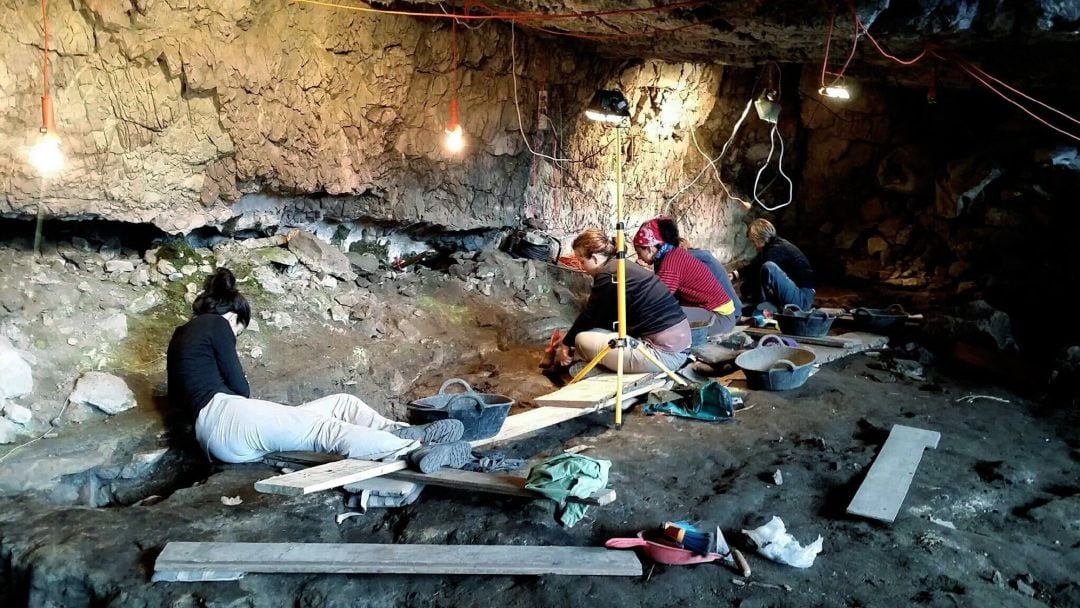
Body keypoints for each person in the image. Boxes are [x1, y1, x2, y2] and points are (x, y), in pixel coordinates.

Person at [166, 268, 468, 474]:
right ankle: (414, 450)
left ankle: (395, 430)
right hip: (229, 419)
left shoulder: (181, 334)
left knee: (342, 404)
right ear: (234, 318)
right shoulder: (217, 324)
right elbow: (241, 390)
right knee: (326, 430)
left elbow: (181, 399)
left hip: (219, 431)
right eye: (240, 331)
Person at [556, 228, 691, 374]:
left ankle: (573, 362)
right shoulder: (621, 267)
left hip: (663, 355)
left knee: (581, 340)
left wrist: (566, 344)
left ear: (594, 258)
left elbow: (590, 315)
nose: (582, 267)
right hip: (679, 346)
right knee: (592, 333)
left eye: (582, 261)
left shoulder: (609, 275)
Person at [633, 216, 738, 336]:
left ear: (650, 248)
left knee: (659, 317)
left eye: (639, 252)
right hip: (719, 314)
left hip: (719, 318)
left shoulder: (671, 262)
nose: (638, 257)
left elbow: (657, 300)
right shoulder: (674, 255)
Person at [734, 218, 815, 311]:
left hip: (802, 299)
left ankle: (763, 309)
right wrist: (735, 274)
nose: (753, 245)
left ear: (760, 238)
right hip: (798, 294)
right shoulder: (772, 247)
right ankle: (763, 306)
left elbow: (759, 273)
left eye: (753, 241)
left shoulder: (777, 249)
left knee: (768, 267)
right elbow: (755, 266)